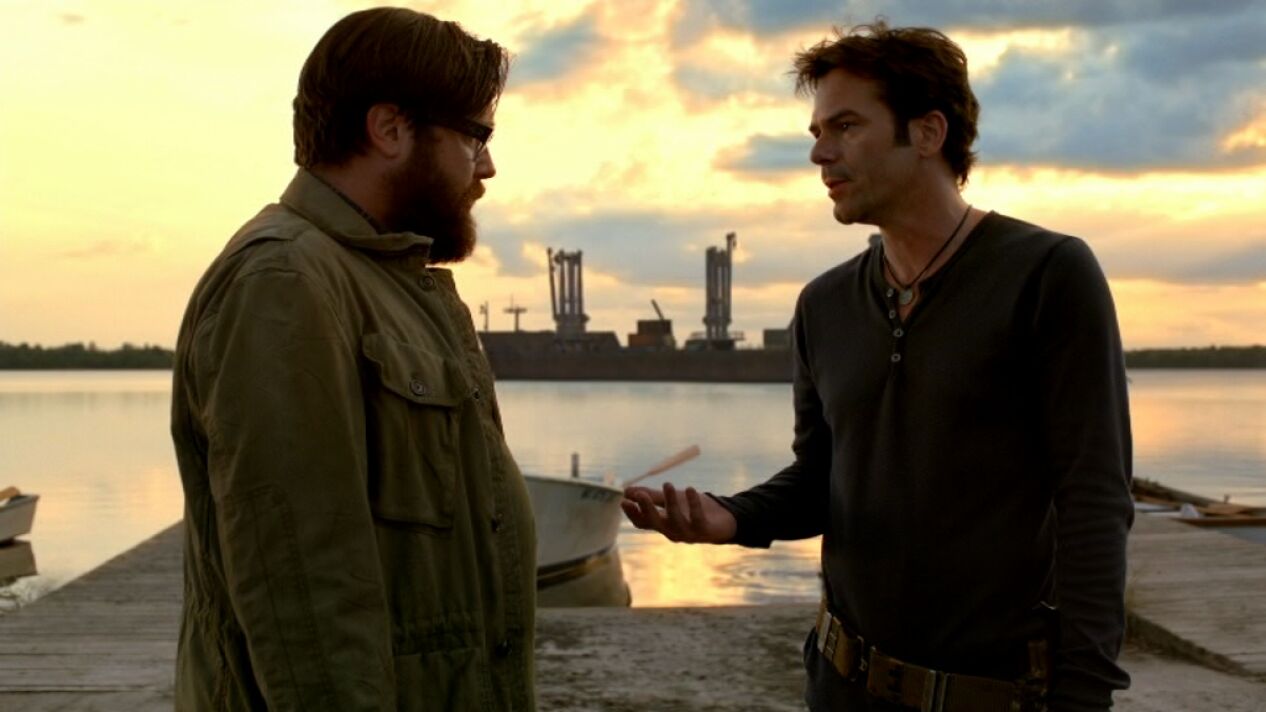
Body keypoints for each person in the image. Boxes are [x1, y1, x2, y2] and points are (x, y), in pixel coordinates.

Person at [623, 21, 1133, 712]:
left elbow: (1094, 501)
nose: (819, 153)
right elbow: (821, 479)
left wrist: (1085, 696)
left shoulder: (1047, 275)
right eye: (816, 132)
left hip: (994, 697)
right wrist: (730, 517)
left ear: (927, 132)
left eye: (846, 126)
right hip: (841, 685)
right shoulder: (824, 305)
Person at [170, 8, 536, 710]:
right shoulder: (283, 283)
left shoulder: (376, 284)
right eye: (476, 136)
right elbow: (306, 590)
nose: (488, 166)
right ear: (390, 129)